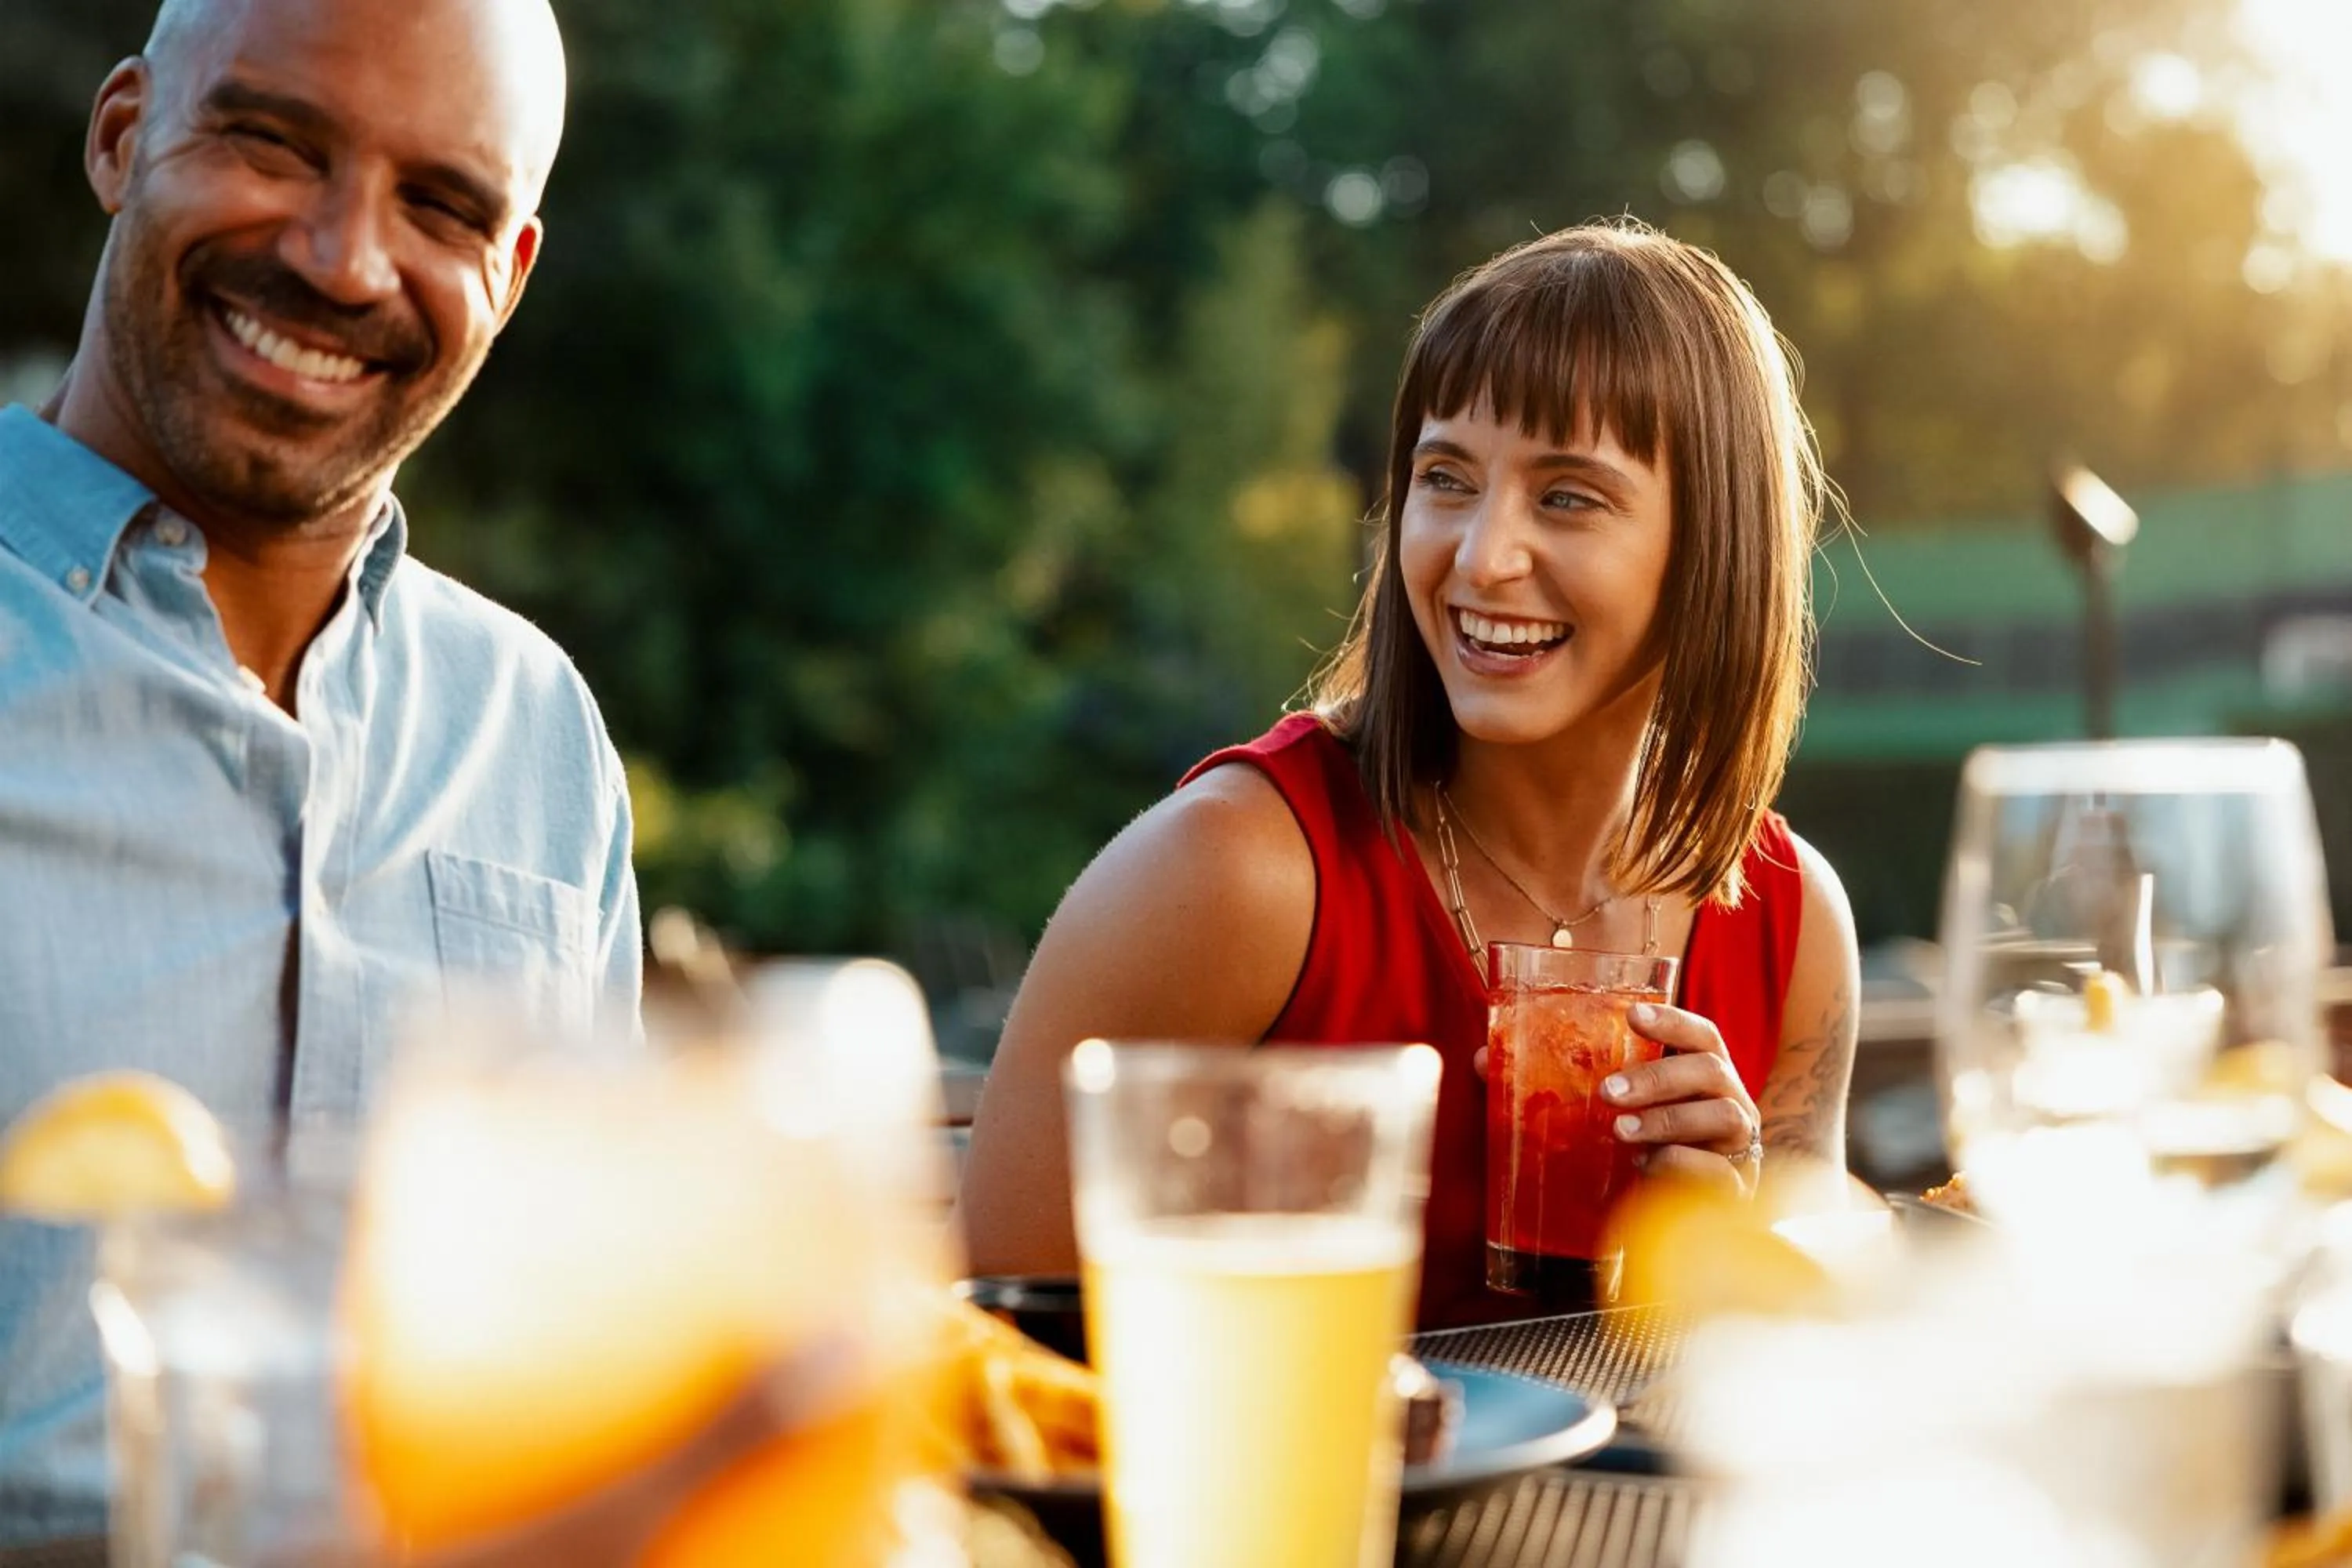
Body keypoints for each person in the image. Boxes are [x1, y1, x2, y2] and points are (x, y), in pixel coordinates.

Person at [960, 221, 1861, 1330]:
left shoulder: (1791, 919)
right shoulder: (1232, 876)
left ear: (1715, 544)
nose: (1481, 556)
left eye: (1567, 495)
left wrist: (1731, 1238)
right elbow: (999, 1350)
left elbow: (1816, 1344)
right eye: (1446, 479)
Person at [0, 0, 637, 1537]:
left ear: (511, 276)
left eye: (443, 207)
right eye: (275, 145)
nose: (347, 260)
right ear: (122, 135)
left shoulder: (537, 731)